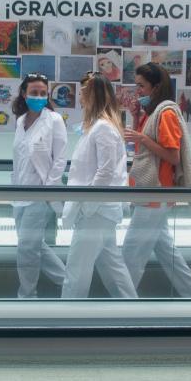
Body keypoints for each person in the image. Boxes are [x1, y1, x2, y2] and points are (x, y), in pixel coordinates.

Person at [122, 62, 191, 298]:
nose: (138, 91)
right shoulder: (152, 113)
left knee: (131, 253)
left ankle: (122, 301)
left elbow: (172, 156)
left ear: (156, 86)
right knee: (166, 251)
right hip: (150, 192)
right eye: (136, 85)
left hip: (156, 193)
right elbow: (140, 147)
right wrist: (136, 117)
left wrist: (142, 137)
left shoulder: (167, 113)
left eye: (141, 86)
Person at [60, 73, 137, 298]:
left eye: (84, 93)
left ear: (93, 96)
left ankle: (68, 315)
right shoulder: (96, 127)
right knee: (112, 266)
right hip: (100, 210)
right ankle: (134, 309)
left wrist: (88, 206)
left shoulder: (103, 128)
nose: (80, 97)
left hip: (96, 211)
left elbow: (106, 171)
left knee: (77, 269)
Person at [12, 72, 67, 298]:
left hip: (40, 193)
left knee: (26, 247)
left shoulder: (54, 120)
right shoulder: (20, 121)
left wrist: (49, 189)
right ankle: (67, 282)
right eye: (34, 92)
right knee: (33, 244)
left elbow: (60, 159)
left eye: (43, 93)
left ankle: (27, 295)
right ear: (24, 95)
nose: (38, 96)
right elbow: (19, 158)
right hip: (19, 193)